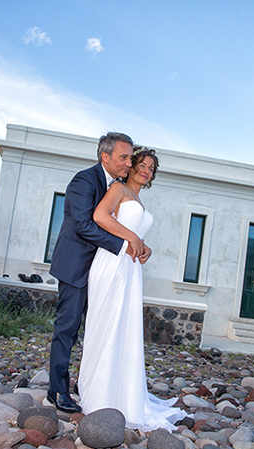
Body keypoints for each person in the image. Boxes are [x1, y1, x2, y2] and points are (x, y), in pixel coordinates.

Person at [78, 146, 187, 431]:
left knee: (125, 329)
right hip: (112, 264)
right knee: (107, 325)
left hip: (129, 267)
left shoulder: (136, 198)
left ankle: (122, 394)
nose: (146, 170)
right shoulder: (118, 189)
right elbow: (101, 217)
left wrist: (143, 246)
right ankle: (98, 396)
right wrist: (134, 237)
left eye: (151, 168)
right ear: (132, 165)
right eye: (142, 164)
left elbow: (132, 234)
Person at [47, 132, 151, 413]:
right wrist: (125, 244)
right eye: (124, 157)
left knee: (98, 328)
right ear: (105, 157)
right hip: (76, 266)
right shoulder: (84, 180)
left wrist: (137, 244)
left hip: (103, 269)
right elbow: (83, 224)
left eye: (131, 157)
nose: (130, 163)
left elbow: (117, 223)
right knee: (68, 328)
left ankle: (90, 384)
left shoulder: (116, 186)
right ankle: (57, 390)